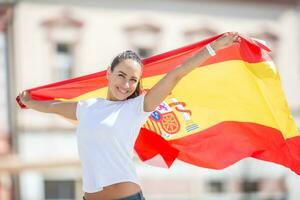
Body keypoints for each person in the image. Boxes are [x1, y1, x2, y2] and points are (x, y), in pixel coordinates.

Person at [19, 32, 240, 200]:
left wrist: (213, 48)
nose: (125, 85)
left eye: (133, 80)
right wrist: (29, 102)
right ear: (109, 73)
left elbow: (177, 74)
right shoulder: (87, 107)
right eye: (121, 75)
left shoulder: (137, 108)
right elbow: (53, 107)